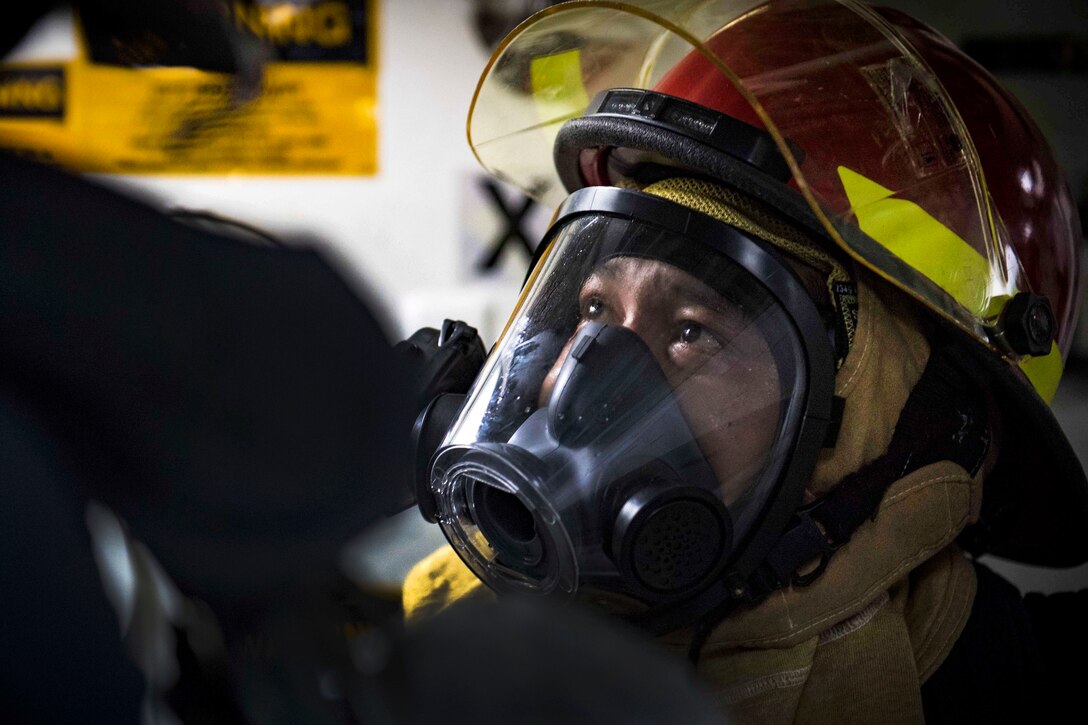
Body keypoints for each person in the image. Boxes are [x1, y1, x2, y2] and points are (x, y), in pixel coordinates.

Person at [402, 0, 1088, 721]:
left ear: (909, 424)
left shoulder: (1020, 686)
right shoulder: (440, 642)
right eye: (596, 309)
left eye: (694, 331)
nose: (579, 385)